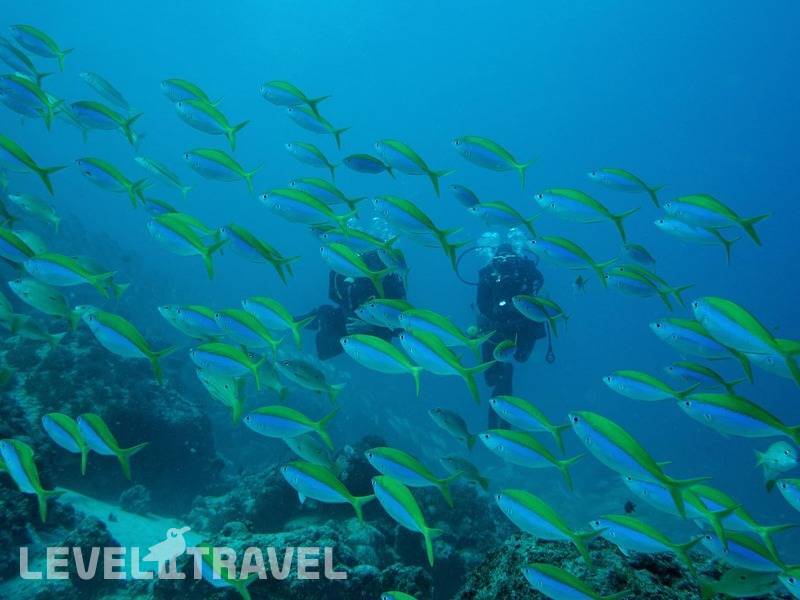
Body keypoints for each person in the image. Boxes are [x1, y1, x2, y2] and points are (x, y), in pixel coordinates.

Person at [476, 243, 546, 428]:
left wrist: (527, 268)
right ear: (494, 260)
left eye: (509, 259)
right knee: (491, 379)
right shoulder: (488, 277)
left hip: (523, 328)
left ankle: (502, 418)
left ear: (516, 259)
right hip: (495, 329)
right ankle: (503, 413)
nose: (505, 264)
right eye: (500, 260)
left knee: (519, 359)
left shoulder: (524, 273)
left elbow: (539, 282)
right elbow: (482, 306)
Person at [303, 249, 407, 360]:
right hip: (346, 319)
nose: (374, 276)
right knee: (324, 316)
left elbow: (400, 327)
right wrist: (339, 266)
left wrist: (371, 327)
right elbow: (335, 296)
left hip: (374, 336)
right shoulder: (352, 275)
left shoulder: (394, 286)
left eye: (380, 272)